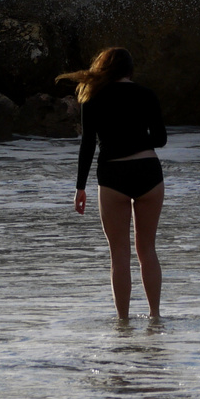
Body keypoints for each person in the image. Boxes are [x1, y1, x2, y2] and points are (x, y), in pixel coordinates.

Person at [62, 47, 167, 319]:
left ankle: (123, 322)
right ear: (130, 70)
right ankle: (155, 316)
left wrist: (80, 187)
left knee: (119, 254)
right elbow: (161, 139)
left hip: (112, 175)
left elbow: (87, 146)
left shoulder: (93, 97)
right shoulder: (147, 94)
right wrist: (136, 139)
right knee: (148, 250)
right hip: (148, 170)